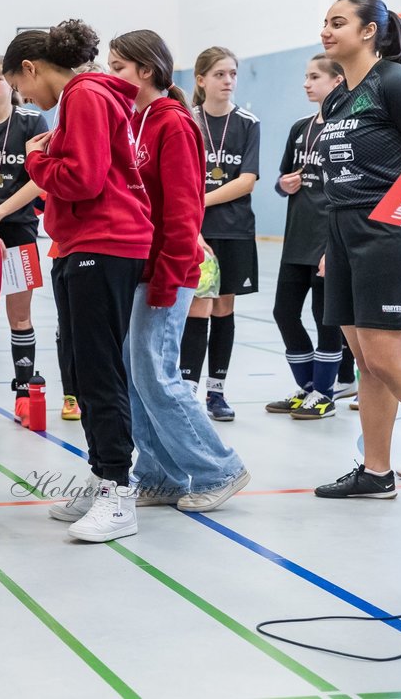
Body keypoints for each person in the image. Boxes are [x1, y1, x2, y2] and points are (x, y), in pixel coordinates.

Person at [3, 20, 152, 543]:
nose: (25, 98)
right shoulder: (83, 99)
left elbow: (83, 180)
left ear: (32, 68)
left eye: (21, 88)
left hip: (105, 243)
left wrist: (37, 159)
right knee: (81, 366)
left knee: (97, 368)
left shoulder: (85, 94)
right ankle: (102, 475)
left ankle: (118, 490)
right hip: (84, 243)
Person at [108, 30, 250, 512]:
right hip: (143, 268)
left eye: (120, 67)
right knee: (136, 371)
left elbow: (184, 211)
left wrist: (168, 278)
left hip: (170, 271)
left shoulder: (173, 123)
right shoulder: (137, 119)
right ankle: (159, 474)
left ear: (146, 70)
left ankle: (218, 468)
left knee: (158, 374)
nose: (113, 76)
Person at [313, 0, 401, 499]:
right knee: (365, 362)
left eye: (337, 22)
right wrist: (337, 241)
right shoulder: (336, 97)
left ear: (369, 31)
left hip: (386, 233)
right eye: (324, 23)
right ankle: (377, 472)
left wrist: (391, 225)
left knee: (387, 358)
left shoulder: (395, 83)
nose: (326, 31)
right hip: (343, 230)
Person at [0, 56, 63, 421]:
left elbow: (39, 179)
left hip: (19, 226)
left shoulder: (31, 121)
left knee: (19, 314)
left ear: (9, 83)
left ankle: (25, 391)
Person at [179, 47, 260, 422]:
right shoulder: (187, 121)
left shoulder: (248, 123)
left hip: (234, 231)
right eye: (219, 75)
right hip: (193, 230)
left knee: (224, 307)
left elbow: (246, 181)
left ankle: (217, 392)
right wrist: (192, 215)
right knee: (198, 306)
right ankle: (187, 391)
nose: (228, 81)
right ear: (200, 80)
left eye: (232, 74)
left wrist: (200, 199)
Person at [268, 54, 346, 419]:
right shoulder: (300, 127)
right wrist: (284, 184)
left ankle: (326, 394)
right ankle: (307, 387)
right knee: (284, 312)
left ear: (336, 82)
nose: (306, 83)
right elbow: (283, 179)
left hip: (328, 240)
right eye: (305, 76)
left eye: (314, 76)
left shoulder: (347, 126)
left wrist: (335, 247)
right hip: (296, 239)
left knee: (324, 316)